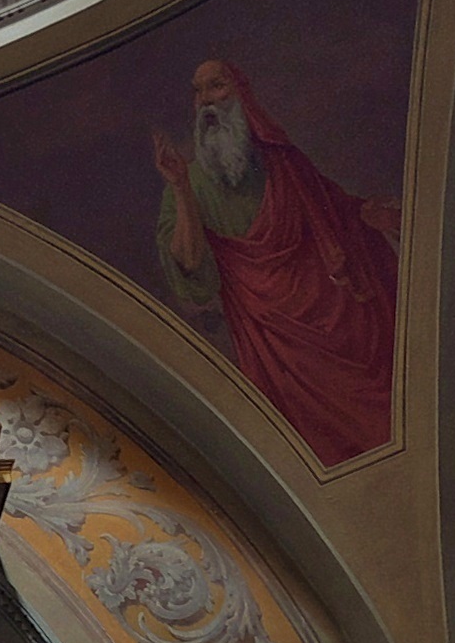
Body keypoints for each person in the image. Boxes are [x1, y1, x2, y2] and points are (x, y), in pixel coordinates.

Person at [152, 53, 401, 463]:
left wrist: (368, 213)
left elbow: (334, 210)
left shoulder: (282, 160)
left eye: (217, 86)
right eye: (198, 92)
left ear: (242, 94)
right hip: (277, 345)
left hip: (339, 320)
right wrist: (180, 188)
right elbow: (191, 268)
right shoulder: (187, 183)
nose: (206, 101)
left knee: (383, 417)